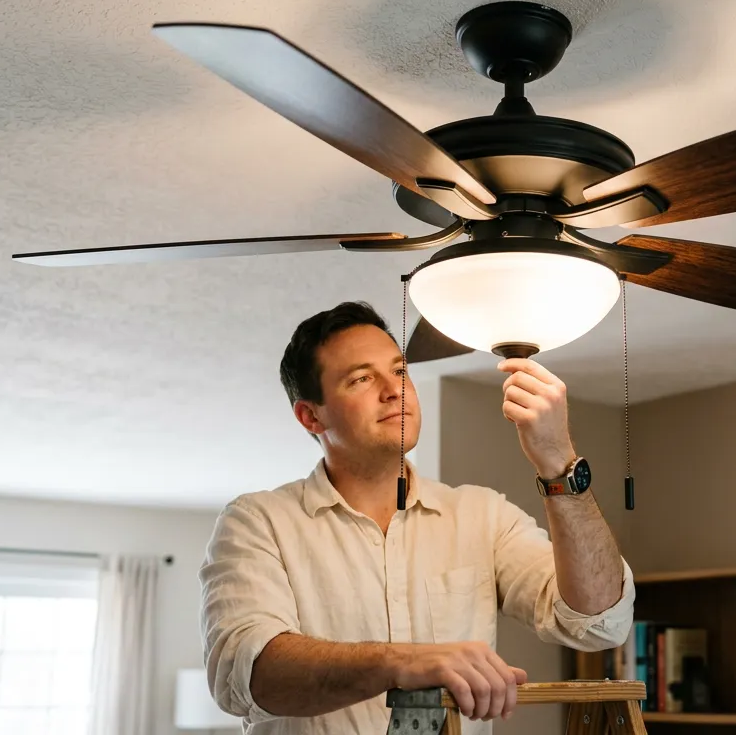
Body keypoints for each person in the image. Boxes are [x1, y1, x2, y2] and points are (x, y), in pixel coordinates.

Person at [199, 301, 635, 735]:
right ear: (311, 416)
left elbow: (599, 623)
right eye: (362, 378)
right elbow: (244, 675)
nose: (395, 390)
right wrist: (401, 661)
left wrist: (559, 460)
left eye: (400, 371)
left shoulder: (483, 515)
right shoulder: (257, 522)